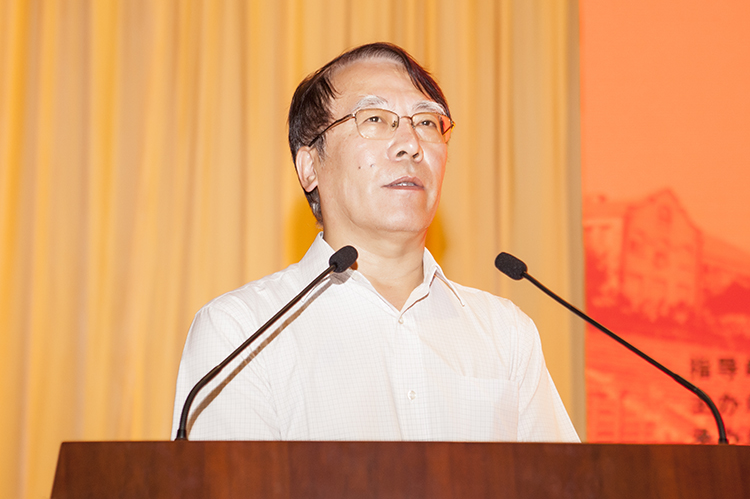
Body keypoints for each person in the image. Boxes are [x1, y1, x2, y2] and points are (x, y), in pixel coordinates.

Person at [172, 42, 579, 442]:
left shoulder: (505, 333)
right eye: (375, 119)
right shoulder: (242, 333)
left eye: (426, 123)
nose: (411, 145)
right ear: (310, 166)